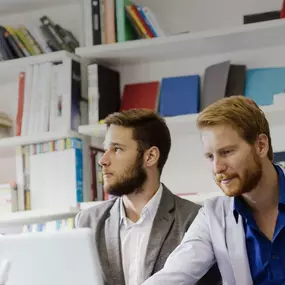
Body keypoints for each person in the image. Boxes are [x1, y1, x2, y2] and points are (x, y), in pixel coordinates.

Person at [142, 95, 285, 285]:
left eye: (227, 152)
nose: (217, 168)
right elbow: (174, 275)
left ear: (261, 145)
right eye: (210, 156)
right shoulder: (213, 217)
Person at [75, 109, 220, 285]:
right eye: (106, 149)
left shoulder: (195, 220)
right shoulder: (87, 222)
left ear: (150, 156)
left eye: (117, 149)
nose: (103, 160)